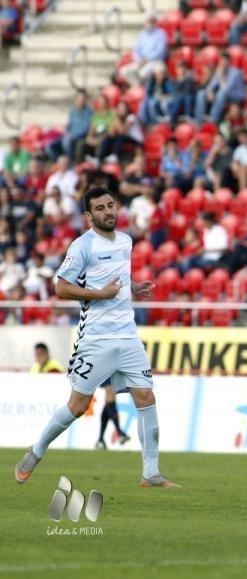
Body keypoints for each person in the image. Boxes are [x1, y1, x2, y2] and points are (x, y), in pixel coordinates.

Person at [14, 186, 179, 488]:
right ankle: (37, 450)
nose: (108, 211)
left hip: (128, 336)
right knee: (78, 406)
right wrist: (100, 294)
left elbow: (116, 278)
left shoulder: (126, 241)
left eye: (111, 205)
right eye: (100, 208)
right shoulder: (82, 246)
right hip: (95, 338)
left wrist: (133, 287)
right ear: (89, 216)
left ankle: (151, 473)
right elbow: (61, 287)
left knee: (146, 397)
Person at [97, 382, 131, 450]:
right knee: (105, 417)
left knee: (109, 389)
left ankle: (101, 439)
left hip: (110, 403)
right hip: (108, 403)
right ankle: (119, 434)